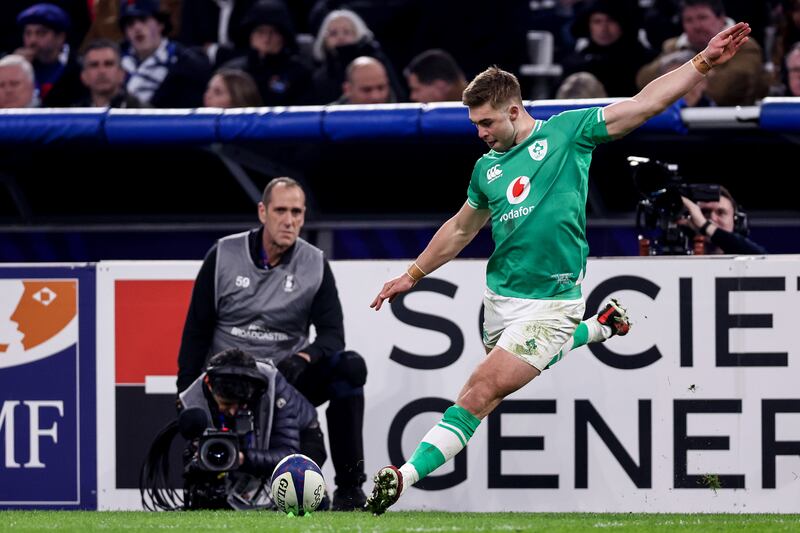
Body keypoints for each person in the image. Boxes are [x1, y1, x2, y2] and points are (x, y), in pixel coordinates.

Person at [365, 21, 752, 515]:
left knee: (479, 391)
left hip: (551, 305)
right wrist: (412, 275)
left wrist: (701, 63)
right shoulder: (488, 169)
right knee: (485, 398)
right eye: (475, 126)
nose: (480, 135)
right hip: (500, 301)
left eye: (486, 123)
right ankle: (598, 328)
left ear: (513, 110)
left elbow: (643, 104)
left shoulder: (569, 133)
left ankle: (401, 476)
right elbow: (461, 230)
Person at [176, 177, 368, 511]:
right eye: (281, 210)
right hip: (228, 384)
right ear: (263, 212)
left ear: (304, 216)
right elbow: (196, 331)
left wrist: (302, 358)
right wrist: (184, 393)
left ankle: (350, 488)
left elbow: (332, 336)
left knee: (350, 369)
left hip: (286, 381)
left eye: (296, 212)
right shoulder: (223, 255)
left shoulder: (314, 263)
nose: (289, 220)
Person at [177, 347, 325, 510]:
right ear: (209, 386)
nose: (233, 411)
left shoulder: (273, 386)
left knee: (299, 494)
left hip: (302, 438)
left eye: (240, 404)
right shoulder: (192, 400)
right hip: (247, 449)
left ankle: (321, 497)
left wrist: (242, 458)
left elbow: (288, 454)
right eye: (226, 403)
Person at [636, 0, 768, 106]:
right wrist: (673, 62)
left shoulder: (743, 44)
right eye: (689, 20)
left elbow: (728, 89)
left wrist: (683, 71)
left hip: (732, 123)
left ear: (721, 19)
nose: (696, 26)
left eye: (702, 17)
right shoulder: (674, 46)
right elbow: (643, 81)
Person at [119, 0, 212, 108]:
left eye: (143, 20)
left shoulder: (189, 62)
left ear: (160, 24)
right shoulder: (115, 60)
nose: (137, 28)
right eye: (130, 23)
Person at [221, 0, 313, 106]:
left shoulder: (299, 74)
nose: (266, 38)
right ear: (250, 34)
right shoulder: (232, 72)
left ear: (284, 36)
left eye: (273, 32)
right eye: (260, 31)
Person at [309, 9, 404, 104]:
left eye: (346, 32)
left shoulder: (377, 63)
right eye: (333, 33)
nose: (340, 37)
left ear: (358, 34)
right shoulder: (320, 76)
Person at [15, 3, 87, 106]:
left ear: (60, 37)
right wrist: (16, 68)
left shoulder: (79, 67)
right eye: (28, 33)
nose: (32, 40)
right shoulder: (16, 65)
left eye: (41, 33)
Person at [680, 187, 766, 254]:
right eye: (705, 212)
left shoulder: (749, 254)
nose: (712, 219)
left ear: (735, 221)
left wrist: (705, 225)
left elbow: (761, 256)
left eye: (721, 213)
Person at [77, 39, 145, 108]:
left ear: (121, 74)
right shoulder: (74, 115)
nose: (102, 71)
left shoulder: (143, 113)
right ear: (84, 76)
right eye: (94, 65)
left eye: (108, 64)